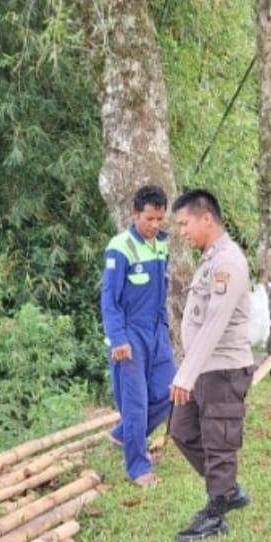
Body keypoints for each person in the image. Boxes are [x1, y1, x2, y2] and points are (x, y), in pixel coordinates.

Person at [168, 189, 255, 542]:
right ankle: (228, 490)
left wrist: (185, 374)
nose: (182, 232)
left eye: (185, 223)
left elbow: (215, 322)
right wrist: (189, 370)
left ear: (206, 218)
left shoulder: (228, 262)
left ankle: (216, 513)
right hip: (203, 368)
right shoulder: (210, 259)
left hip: (223, 369)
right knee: (181, 429)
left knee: (219, 441)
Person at [100, 185, 175, 486]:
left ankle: (123, 434)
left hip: (156, 332)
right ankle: (139, 469)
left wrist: (164, 327)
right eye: (149, 219)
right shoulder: (120, 248)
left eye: (160, 219)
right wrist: (118, 339)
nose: (155, 225)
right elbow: (109, 298)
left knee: (172, 390)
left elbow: (162, 291)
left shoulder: (162, 245)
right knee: (135, 403)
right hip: (130, 334)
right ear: (134, 214)